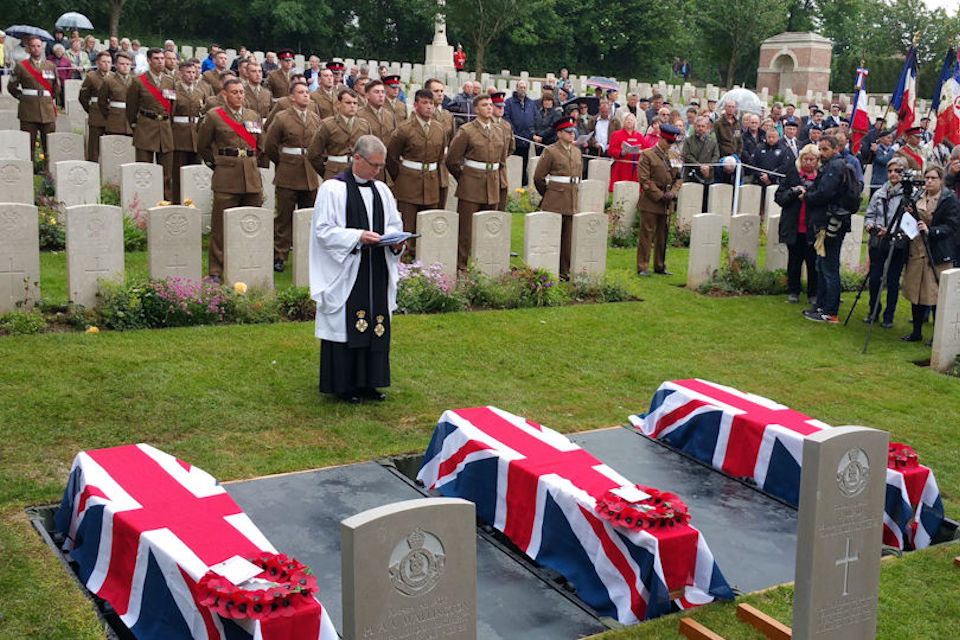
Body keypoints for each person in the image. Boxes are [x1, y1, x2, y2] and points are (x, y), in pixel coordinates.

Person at [309, 135, 405, 403]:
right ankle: (344, 385)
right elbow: (324, 232)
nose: (377, 171)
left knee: (375, 321)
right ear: (356, 158)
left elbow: (394, 225)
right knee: (348, 322)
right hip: (348, 268)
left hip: (376, 269)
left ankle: (370, 383)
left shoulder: (382, 191)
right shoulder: (332, 189)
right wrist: (357, 236)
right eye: (373, 165)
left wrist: (396, 244)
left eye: (380, 166)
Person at [196, 77, 264, 283]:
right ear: (224, 94)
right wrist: (218, 163)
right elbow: (203, 146)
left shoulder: (252, 115)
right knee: (220, 227)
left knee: (252, 222)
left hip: (250, 176)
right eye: (234, 92)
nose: (239, 95)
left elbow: (260, 144)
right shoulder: (214, 116)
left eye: (241, 92)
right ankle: (216, 270)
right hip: (226, 176)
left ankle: (249, 263)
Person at [263, 79, 323, 272]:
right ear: (291, 96)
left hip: (309, 173)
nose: (306, 95)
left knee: (308, 216)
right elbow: (270, 145)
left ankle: (307, 254)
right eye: (300, 92)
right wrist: (282, 162)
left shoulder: (314, 118)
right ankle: (279, 255)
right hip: (288, 172)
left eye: (307, 92)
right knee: (284, 217)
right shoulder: (282, 117)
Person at [899, 166, 960, 342]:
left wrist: (931, 231)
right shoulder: (918, 196)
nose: (929, 181)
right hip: (916, 250)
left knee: (934, 294)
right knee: (915, 292)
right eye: (927, 178)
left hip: (937, 252)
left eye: (933, 178)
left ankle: (936, 335)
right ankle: (916, 332)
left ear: (941, 180)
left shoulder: (948, 199)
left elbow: (952, 226)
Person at [445, 93, 505, 270]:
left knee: (489, 228)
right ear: (476, 109)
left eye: (490, 104)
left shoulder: (498, 131)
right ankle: (461, 266)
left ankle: (484, 267)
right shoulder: (467, 131)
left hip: (492, 183)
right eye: (484, 105)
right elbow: (452, 160)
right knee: (466, 230)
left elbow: (502, 159)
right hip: (471, 185)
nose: (489, 107)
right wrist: (464, 178)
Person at [386, 88, 446, 255]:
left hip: (431, 182)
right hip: (408, 183)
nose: (429, 107)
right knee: (407, 225)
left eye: (431, 103)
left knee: (429, 226)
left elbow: (440, 157)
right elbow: (391, 157)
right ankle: (404, 262)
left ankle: (426, 262)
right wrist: (402, 177)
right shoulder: (404, 129)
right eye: (425, 103)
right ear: (415, 105)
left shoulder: (439, 129)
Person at [800, 135, 849, 324]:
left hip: (831, 222)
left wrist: (807, 196)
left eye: (825, 149)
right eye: (819, 149)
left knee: (829, 267)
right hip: (824, 220)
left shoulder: (836, 166)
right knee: (821, 265)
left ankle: (830, 311)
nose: (821, 153)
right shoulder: (830, 166)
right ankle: (820, 306)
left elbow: (825, 193)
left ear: (836, 149)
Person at [533, 117, 582, 277]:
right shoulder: (551, 151)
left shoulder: (576, 151)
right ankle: (548, 268)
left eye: (573, 132)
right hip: (555, 199)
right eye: (568, 132)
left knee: (568, 238)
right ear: (559, 133)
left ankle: (564, 270)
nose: (571, 134)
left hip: (571, 198)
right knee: (551, 236)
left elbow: (578, 175)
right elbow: (538, 177)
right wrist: (548, 194)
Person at [862, 157, 908, 327]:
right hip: (878, 243)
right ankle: (873, 310)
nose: (893, 174)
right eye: (890, 171)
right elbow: (870, 214)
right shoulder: (880, 193)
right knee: (874, 278)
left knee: (893, 279)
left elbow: (909, 221)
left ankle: (889, 315)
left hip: (897, 243)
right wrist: (870, 225)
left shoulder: (907, 196)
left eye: (897, 171)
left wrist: (890, 231)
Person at [127, 48, 176, 201]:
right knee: (144, 170)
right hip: (146, 127)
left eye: (162, 58)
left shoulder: (169, 81)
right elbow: (131, 108)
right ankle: (142, 202)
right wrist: (135, 126)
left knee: (167, 173)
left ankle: (166, 202)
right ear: (148, 60)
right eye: (156, 58)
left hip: (165, 129)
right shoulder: (138, 81)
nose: (160, 61)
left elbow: (172, 105)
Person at [776, 143, 820, 305]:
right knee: (794, 261)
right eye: (805, 159)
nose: (808, 162)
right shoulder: (792, 175)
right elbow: (779, 197)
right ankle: (793, 290)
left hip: (812, 227)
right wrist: (793, 192)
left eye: (812, 159)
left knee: (812, 261)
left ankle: (813, 293)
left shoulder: (820, 178)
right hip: (794, 225)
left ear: (817, 161)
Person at [636, 124, 683, 277]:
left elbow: (679, 179)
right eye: (668, 141)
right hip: (651, 200)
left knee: (663, 235)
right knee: (646, 235)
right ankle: (642, 266)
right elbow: (644, 179)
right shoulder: (647, 155)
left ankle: (660, 265)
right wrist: (659, 195)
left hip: (667, 201)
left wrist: (673, 193)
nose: (670, 145)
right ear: (661, 138)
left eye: (672, 142)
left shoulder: (674, 157)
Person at [8, 35, 60, 155]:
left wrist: (48, 98)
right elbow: (11, 87)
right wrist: (22, 97)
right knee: (27, 142)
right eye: (33, 46)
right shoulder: (21, 66)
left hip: (46, 109)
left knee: (49, 142)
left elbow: (56, 87)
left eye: (38, 46)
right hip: (28, 109)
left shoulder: (50, 66)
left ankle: (48, 168)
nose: (36, 49)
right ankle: (29, 168)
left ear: (42, 48)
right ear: (28, 49)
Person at [308, 87, 372, 180]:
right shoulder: (328, 124)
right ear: (338, 104)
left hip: (358, 173)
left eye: (355, 103)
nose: (352, 106)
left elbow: (368, 152)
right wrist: (327, 171)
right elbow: (313, 154)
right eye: (348, 103)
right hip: (335, 173)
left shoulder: (364, 125)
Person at [171, 60, 205, 202]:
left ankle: (193, 200)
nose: (192, 75)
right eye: (188, 72)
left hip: (195, 135)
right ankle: (177, 200)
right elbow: (171, 113)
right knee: (179, 170)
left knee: (195, 170)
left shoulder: (199, 92)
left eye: (193, 72)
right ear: (180, 74)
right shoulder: (175, 90)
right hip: (179, 134)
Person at [79, 51, 112, 161]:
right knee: (94, 146)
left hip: (111, 116)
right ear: (97, 63)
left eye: (109, 62)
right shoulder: (91, 77)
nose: (106, 64)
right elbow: (83, 97)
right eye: (104, 62)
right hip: (96, 115)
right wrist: (91, 110)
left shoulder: (114, 77)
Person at [503, 81, 535, 185]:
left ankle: (522, 182)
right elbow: (506, 117)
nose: (523, 89)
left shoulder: (530, 103)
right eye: (521, 87)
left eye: (524, 87)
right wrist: (513, 130)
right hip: (514, 138)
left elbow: (535, 117)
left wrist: (532, 132)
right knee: (514, 161)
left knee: (525, 162)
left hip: (526, 139)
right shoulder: (509, 102)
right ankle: (513, 182)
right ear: (516, 88)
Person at [98, 51, 133, 136]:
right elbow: (102, 101)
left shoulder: (135, 81)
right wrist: (110, 114)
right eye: (122, 64)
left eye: (128, 64)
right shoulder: (108, 80)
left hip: (131, 122)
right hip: (115, 121)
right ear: (116, 65)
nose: (125, 66)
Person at [607, 113, 644, 192]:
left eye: (631, 120)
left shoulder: (639, 136)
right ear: (623, 122)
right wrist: (621, 153)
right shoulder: (616, 134)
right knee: (620, 189)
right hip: (621, 166)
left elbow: (646, 149)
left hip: (635, 167)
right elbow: (611, 150)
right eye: (627, 120)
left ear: (634, 122)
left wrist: (641, 152)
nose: (629, 122)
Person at [681, 115, 719, 189]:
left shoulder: (713, 141)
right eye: (698, 126)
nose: (700, 128)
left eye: (702, 126)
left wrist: (709, 167)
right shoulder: (688, 140)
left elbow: (716, 156)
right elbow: (686, 156)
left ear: (706, 127)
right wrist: (700, 166)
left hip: (707, 177)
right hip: (691, 176)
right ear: (694, 127)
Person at [531, 89, 561, 156]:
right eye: (545, 100)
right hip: (538, 143)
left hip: (550, 143)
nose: (547, 102)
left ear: (552, 102)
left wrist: (540, 137)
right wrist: (533, 136)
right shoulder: (539, 113)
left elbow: (552, 128)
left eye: (549, 100)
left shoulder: (556, 113)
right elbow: (532, 124)